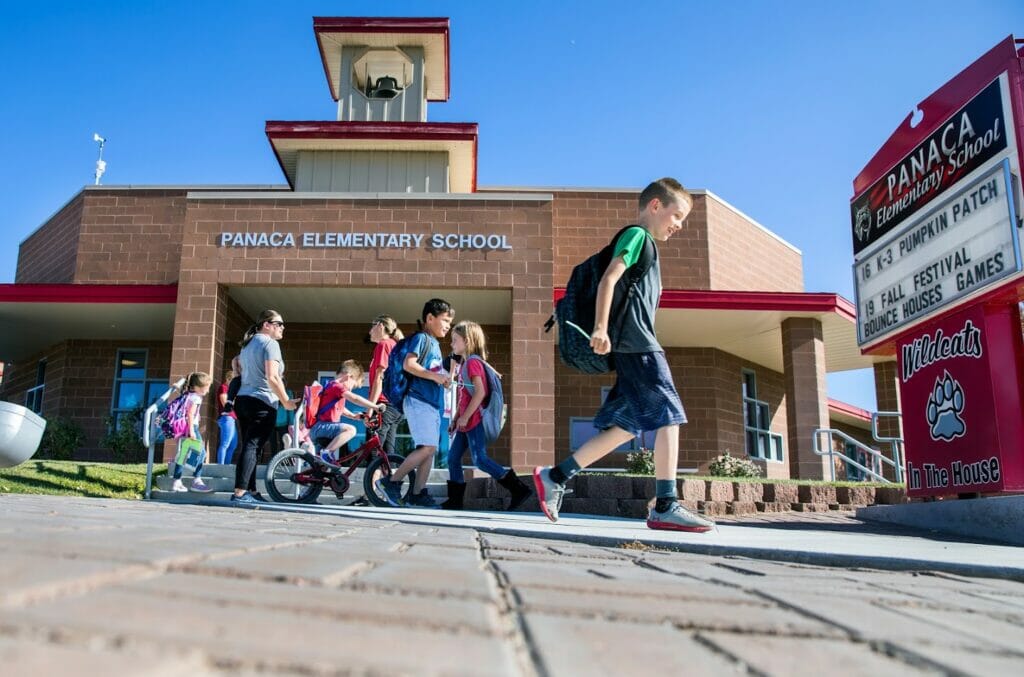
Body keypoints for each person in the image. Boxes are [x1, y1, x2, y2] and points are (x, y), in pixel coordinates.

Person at [534, 178, 715, 532]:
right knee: (669, 417)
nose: (678, 225)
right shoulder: (637, 236)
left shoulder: (649, 246)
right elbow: (608, 279)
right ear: (655, 206)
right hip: (639, 346)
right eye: (676, 215)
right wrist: (600, 328)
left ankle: (555, 476)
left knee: (624, 427)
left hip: (632, 348)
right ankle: (665, 504)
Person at [442, 321, 531, 511]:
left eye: (454, 340)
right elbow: (464, 397)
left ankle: (519, 490)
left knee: (480, 460)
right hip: (466, 421)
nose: (452, 344)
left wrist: (465, 417)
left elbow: (480, 393)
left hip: (475, 421)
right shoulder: (465, 363)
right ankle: (455, 501)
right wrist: (457, 418)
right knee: (452, 458)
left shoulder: (473, 362)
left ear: (466, 341)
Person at [376, 298, 454, 508]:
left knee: (429, 449)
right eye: (445, 320)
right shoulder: (421, 338)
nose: (448, 325)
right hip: (418, 400)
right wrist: (435, 377)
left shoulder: (435, 345)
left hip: (430, 402)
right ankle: (390, 482)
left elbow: (430, 372)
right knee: (428, 447)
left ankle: (417, 493)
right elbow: (409, 364)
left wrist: (441, 380)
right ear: (430, 318)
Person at [232, 309, 296, 505]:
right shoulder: (270, 343)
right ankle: (240, 494)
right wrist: (286, 401)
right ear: (266, 325)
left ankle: (250, 490)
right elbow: (273, 377)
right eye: (279, 324)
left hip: (243, 400)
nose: (282, 328)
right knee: (253, 447)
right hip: (262, 401)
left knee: (251, 448)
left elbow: (236, 364)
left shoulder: (248, 345)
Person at [311, 360, 386, 463]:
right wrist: (375, 406)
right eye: (354, 386)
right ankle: (327, 452)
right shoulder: (336, 386)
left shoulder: (332, 387)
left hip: (322, 429)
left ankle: (318, 473)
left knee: (324, 467)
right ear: (348, 376)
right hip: (322, 427)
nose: (351, 390)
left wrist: (353, 416)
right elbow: (355, 398)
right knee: (350, 430)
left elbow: (340, 409)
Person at [367, 315, 406, 454]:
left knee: (373, 451)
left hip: (384, 404)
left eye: (372, 326)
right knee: (387, 453)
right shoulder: (393, 345)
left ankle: (374, 477)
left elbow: (379, 378)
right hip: (395, 406)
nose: (370, 331)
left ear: (380, 326)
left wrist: (370, 409)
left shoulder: (384, 345)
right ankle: (391, 476)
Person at [171, 371, 213, 493]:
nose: (208, 390)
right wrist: (191, 431)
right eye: (207, 387)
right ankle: (196, 480)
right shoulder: (197, 398)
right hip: (191, 428)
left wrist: (176, 387)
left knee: (183, 454)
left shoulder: (188, 394)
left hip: (185, 428)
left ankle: (177, 481)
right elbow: (190, 413)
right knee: (202, 453)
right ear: (198, 387)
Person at [215, 367, 239, 465]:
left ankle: (226, 465)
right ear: (229, 379)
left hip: (232, 419)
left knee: (233, 444)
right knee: (225, 443)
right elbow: (225, 403)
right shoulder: (224, 387)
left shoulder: (231, 390)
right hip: (226, 417)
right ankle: (221, 466)